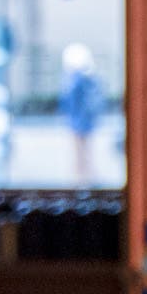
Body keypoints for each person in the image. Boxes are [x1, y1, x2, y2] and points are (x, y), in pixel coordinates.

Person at [57, 41, 103, 186]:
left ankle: (82, 179)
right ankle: (85, 178)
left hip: (79, 121)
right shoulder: (89, 77)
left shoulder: (76, 80)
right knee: (84, 151)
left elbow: (69, 101)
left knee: (80, 152)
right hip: (85, 121)